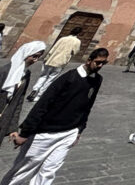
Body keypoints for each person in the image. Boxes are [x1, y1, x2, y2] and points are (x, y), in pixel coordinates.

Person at [0, 48, 107, 185]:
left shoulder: (97, 80)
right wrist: (25, 132)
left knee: (49, 171)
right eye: (98, 62)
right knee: (24, 169)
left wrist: (79, 129)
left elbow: (87, 106)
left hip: (69, 133)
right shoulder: (69, 78)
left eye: (104, 63)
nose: (100, 66)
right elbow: (43, 104)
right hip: (45, 133)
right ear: (89, 60)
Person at [0, 42, 45, 142]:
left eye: (38, 57)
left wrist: (13, 128)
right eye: (34, 56)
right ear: (26, 53)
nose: (36, 60)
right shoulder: (4, 71)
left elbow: (18, 102)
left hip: (3, 121)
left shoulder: (26, 74)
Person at [27, 28, 81, 102]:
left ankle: (35, 90)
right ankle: (39, 95)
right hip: (61, 62)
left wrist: (46, 58)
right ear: (79, 33)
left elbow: (53, 48)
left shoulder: (62, 38)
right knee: (50, 79)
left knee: (43, 76)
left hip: (51, 59)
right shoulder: (77, 41)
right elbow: (75, 52)